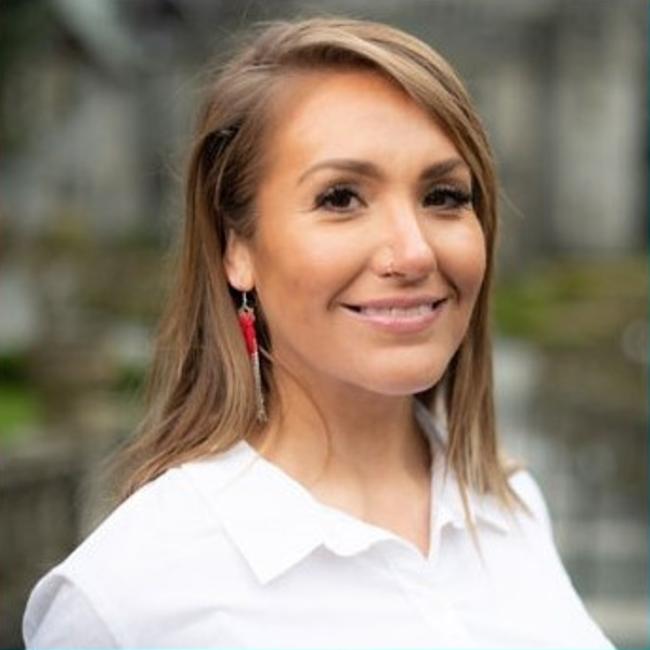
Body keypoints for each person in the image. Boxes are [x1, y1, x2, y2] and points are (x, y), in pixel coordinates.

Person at [23, 17, 614, 649]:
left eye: (443, 195)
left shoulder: (508, 503)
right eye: (340, 198)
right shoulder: (128, 599)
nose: (413, 253)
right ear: (237, 248)